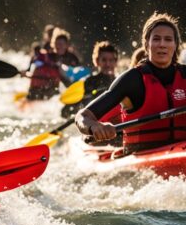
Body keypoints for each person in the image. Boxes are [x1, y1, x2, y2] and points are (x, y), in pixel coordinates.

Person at [75, 12, 185, 154]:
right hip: (143, 156)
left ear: (175, 45)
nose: (162, 44)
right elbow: (82, 116)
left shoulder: (184, 74)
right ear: (146, 44)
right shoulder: (132, 79)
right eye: (156, 39)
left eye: (168, 39)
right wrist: (94, 127)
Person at [61, 41, 119, 119]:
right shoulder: (88, 82)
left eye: (111, 60)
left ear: (115, 62)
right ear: (97, 61)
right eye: (104, 60)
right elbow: (65, 112)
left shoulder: (120, 81)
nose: (107, 64)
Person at [23, 28, 79, 100]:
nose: (58, 46)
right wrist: (27, 70)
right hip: (47, 83)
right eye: (57, 44)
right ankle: (34, 93)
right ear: (53, 44)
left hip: (62, 85)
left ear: (66, 45)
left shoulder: (72, 58)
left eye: (61, 44)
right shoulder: (49, 56)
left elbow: (76, 71)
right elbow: (35, 61)